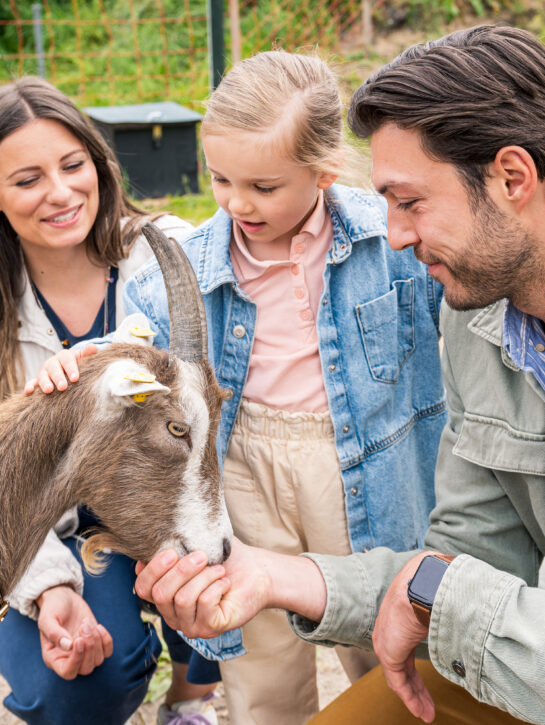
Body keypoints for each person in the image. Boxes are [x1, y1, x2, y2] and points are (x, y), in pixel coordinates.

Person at [133, 23, 545, 725]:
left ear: (511, 177)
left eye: (410, 201)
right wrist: (273, 575)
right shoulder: (477, 322)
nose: (394, 236)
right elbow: (471, 553)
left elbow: (447, 581)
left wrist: (434, 590)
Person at [39, 50, 448, 724]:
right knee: (257, 645)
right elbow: (140, 342)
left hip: (364, 464)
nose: (235, 202)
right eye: (220, 178)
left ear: (321, 172)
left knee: (384, 630)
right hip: (242, 463)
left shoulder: (389, 242)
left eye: (261, 186)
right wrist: (85, 360)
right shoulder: (195, 264)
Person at [0, 76, 221, 725]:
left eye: (73, 165)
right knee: (69, 685)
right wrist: (49, 588)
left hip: (171, 499)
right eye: (27, 178)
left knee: (209, 575)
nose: (62, 192)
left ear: (99, 163)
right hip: (52, 524)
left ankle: (188, 696)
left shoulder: (169, 251)